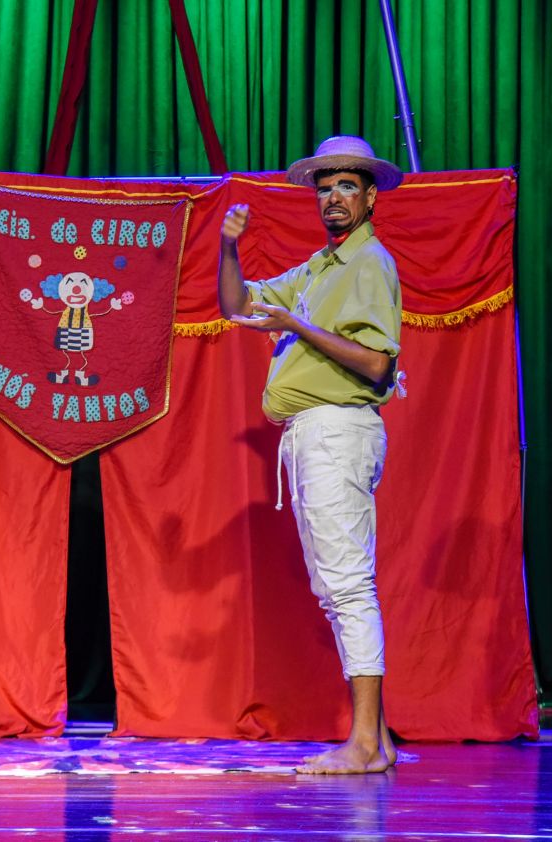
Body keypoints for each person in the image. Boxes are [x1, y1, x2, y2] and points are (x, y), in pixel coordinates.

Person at [217, 135, 403, 774]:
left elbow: (377, 364)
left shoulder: (368, 262)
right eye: (325, 189)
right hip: (313, 434)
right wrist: (229, 246)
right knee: (337, 586)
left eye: (347, 187)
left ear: (370, 197)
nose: (333, 198)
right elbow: (237, 306)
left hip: (337, 430)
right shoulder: (320, 268)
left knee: (348, 587)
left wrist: (295, 325)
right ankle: (377, 742)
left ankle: (364, 743)